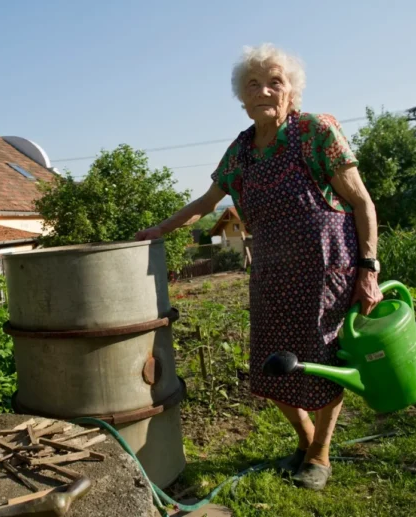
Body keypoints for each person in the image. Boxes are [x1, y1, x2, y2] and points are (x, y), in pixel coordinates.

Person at [135, 43, 382, 491]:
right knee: (271, 366)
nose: (265, 90)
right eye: (254, 84)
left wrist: (369, 269)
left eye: (275, 81)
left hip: (328, 272)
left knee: (324, 362)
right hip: (272, 276)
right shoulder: (242, 150)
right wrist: (158, 230)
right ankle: (305, 439)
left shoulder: (315, 131)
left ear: (291, 91)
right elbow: (207, 203)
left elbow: (362, 202)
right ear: (242, 99)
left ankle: (320, 455)